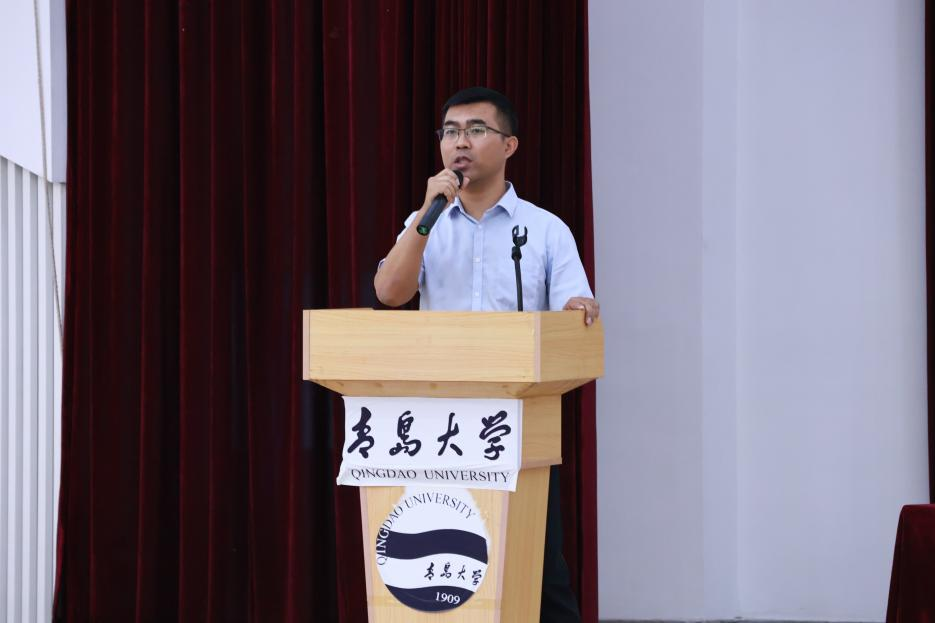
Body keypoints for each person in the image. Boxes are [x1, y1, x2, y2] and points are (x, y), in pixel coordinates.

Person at [374, 86, 598, 622]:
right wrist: (426, 216)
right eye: (450, 132)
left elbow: (575, 316)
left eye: (476, 130)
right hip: (439, 427)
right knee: (445, 570)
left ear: (509, 145)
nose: (460, 142)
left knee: (537, 570)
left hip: (517, 425)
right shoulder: (423, 224)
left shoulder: (544, 229)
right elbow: (389, 293)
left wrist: (577, 310)